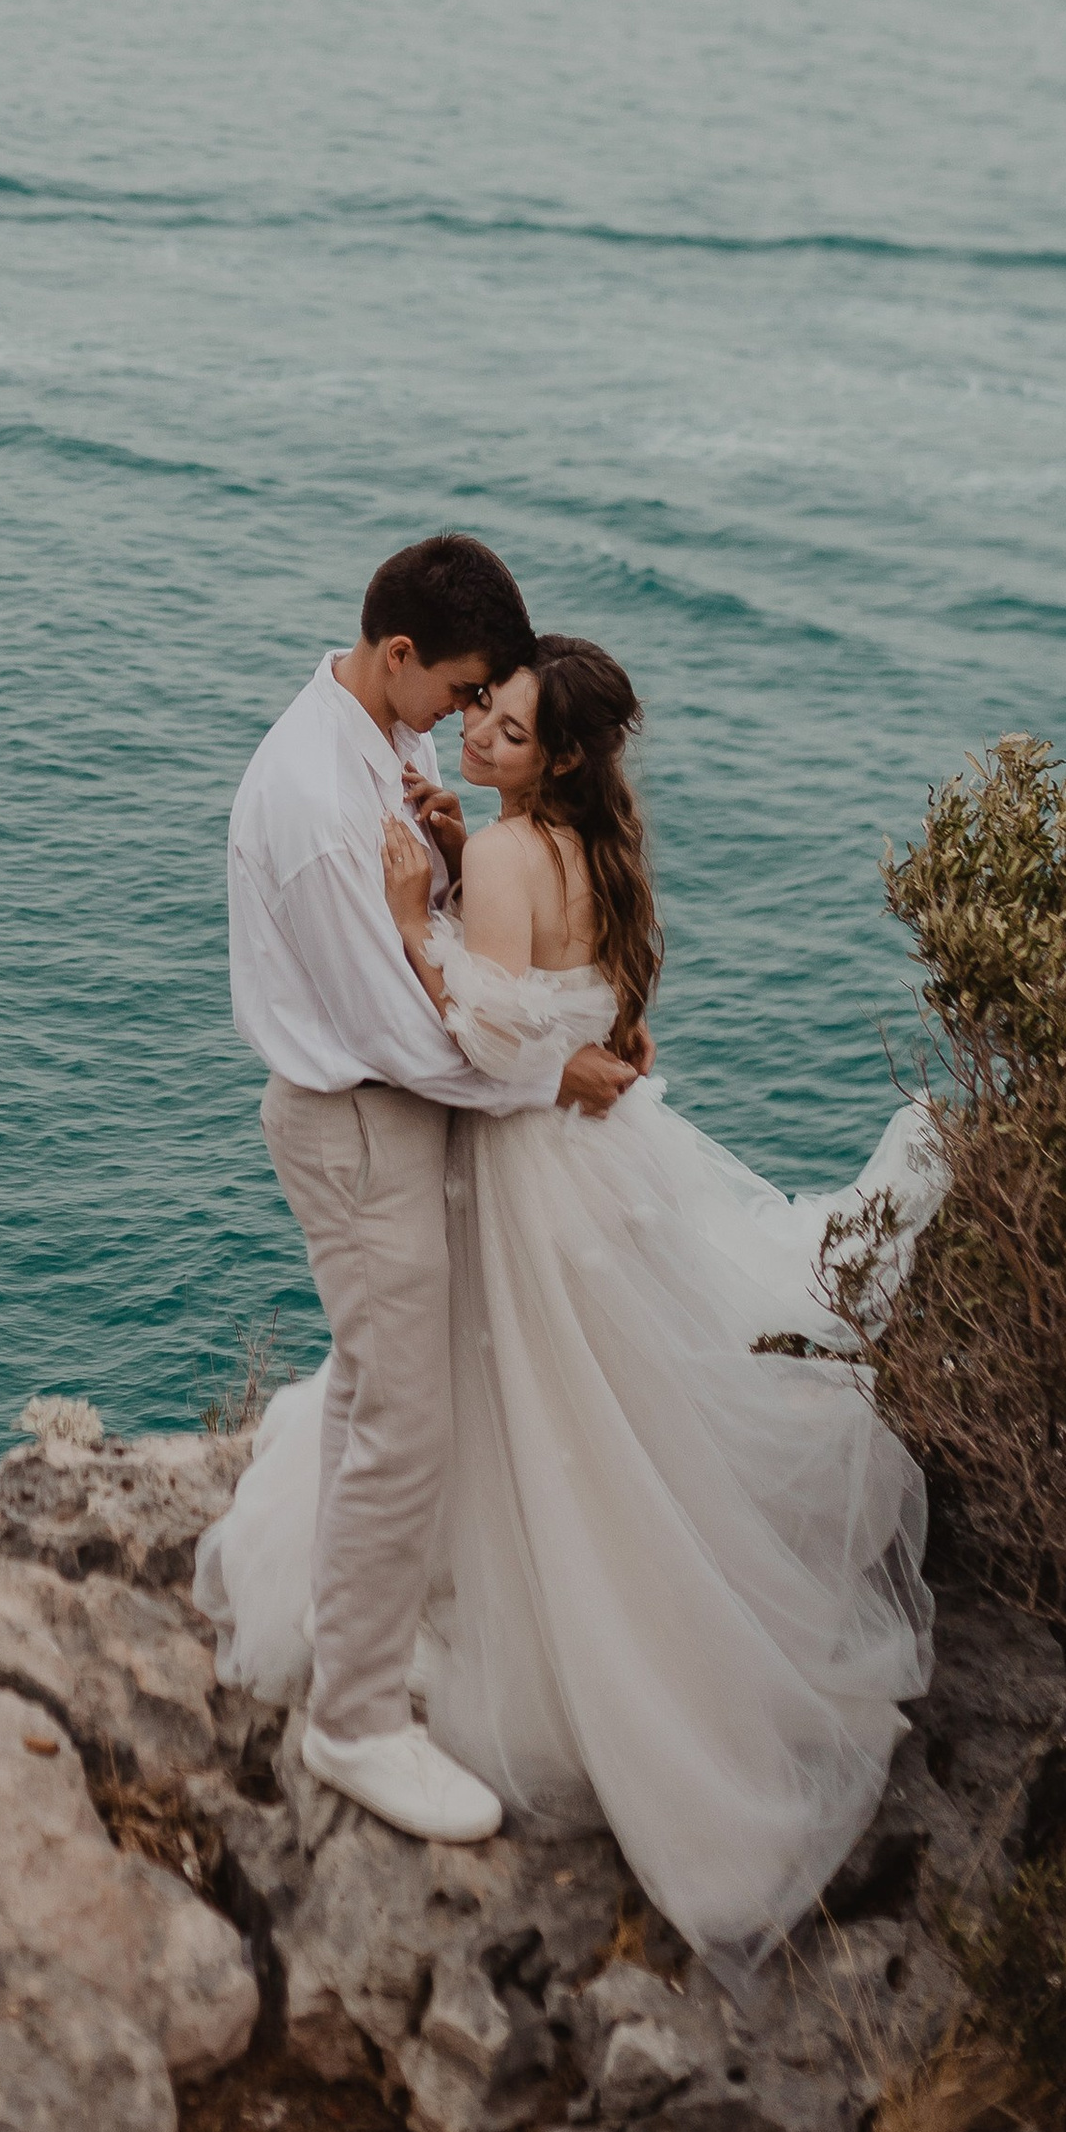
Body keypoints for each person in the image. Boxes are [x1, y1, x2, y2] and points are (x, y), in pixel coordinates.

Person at [199, 626, 944, 1978]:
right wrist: (459, 848)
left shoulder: (506, 858)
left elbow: (485, 1034)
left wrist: (411, 919)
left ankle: (512, 1629)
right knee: (598, 1394)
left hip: (521, 1161)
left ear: (555, 758)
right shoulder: (593, 851)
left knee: (512, 1384)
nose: (476, 731)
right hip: (603, 1160)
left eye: (507, 727)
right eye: (482, 708)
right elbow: (573, 997)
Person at [213, 540, 652, 1853]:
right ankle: (354, 1722)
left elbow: (429, 962)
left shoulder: (373, 744)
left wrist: (447, 863)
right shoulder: (317, 797)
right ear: (399, 654)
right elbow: (395, 1030)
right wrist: (549, 1075)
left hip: (395, 1111)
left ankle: (352, 1633)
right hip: (360, 1119)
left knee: (376, 1396)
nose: (468, 718)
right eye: (462, 691)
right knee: (407, 1423)